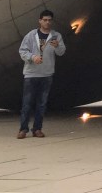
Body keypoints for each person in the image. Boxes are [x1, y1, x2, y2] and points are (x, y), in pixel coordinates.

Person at [16, 9, 65, 139]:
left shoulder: (56, 36)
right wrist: (32, 57)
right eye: (45, 20)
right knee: (27, 103)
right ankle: (23, 129)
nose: (47, 22)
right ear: (40, 21)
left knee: (41, 103)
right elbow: (22, 51)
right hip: (31, 74)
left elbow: (61, 52)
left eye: (49, 20)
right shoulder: (31, 35)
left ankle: (37, 128)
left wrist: (57, 46)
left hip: (46, 74)